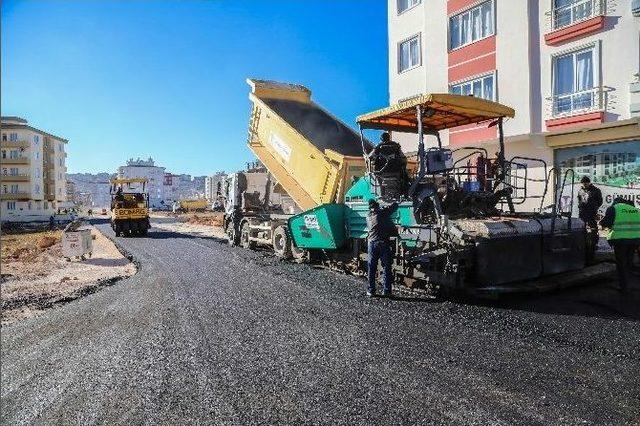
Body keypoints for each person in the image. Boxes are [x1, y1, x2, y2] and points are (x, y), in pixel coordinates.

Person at [599, 197, 640, 292]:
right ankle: (629, 283)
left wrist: (601, 223)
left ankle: (624, 287)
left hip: (620, 239)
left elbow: (607, 223)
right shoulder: (635, 209)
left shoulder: (614, 208)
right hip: (635, 239)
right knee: (629, 262)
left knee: (621, 263)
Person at [366, 199, 399, 297]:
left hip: (371, 243)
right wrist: (396, 201)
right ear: (377, 206)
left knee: (371, 268)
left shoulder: (367, 216)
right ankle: (387, 291)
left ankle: (371, 291)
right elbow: (394, 207)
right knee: (386, 267)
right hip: (383, 243)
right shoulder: (382, 213)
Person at [577, 176, 603, 264]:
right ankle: (583, 243)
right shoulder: (580, 191)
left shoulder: (596, 190)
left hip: (591, 213)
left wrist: (594, 207)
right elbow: (579, 200)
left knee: (593, 229)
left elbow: (600, 201)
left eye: (585, 183)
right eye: (583, 183)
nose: (584, 184)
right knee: (582, 229)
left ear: (589, 182)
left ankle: (594, 243)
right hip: (582, 213)